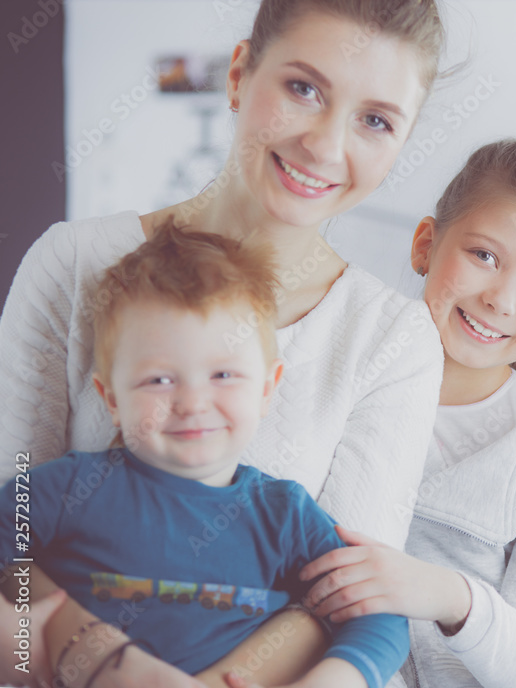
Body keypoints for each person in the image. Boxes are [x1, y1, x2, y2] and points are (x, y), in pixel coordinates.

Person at [0, 1, 446, 685]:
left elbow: (346, 600)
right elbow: (13, 535)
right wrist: (104, 662)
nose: (325, 146)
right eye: (304, 89)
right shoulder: (74, 265)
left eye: (376, 120)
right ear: (240, 74)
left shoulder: (392, 340)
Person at [290, 139, 516, 688]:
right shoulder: (339, 380)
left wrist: (444, 594)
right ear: (425, 245)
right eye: (484, 256)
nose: (502, 301)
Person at [1, 224, 409, 688]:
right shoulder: (69, 488)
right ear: (111, 398)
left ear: (267, 389)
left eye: (222, 374)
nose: (193, 402)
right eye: (158, 380)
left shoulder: (285, 515)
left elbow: (380, 614)